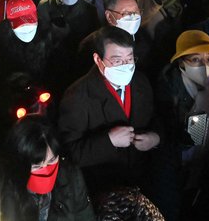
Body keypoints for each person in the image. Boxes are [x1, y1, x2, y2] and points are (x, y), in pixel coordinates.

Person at [58, 26, 161, 195]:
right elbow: (69, 152)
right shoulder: (77, 96)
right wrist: (108, 141)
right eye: (117, 60)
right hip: (102, 188)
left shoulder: (141, 81)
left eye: (129, 59)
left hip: (141, 182)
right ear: (98, 60)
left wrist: (155, 138)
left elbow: (156, 118)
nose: (126, 66)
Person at [154, 30, 209, 220]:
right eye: (195, 60)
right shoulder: (168, 93)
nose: (205, 66)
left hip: (206, 166)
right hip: (179, 171)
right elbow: (184, 139)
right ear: (181, 63)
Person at [0, 114, 97, 221]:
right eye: (37, 166)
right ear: (21, 165)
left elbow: (85, 215)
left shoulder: (71, 176)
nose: (46, 171)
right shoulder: (3, 192)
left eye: (51, 160)